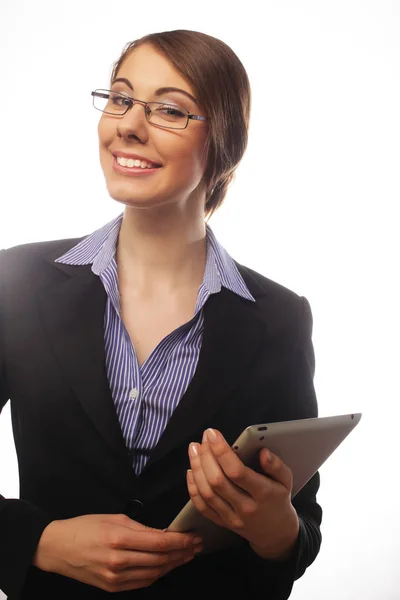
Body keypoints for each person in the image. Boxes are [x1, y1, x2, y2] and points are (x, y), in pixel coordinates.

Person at [0, 29, 322, 599]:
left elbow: (298, 533)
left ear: (224, 143)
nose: (128, 124)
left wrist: (278, 531)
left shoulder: (279, 319)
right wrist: (37, 541)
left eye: (170, 110)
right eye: (120, 98)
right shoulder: (15, 284)